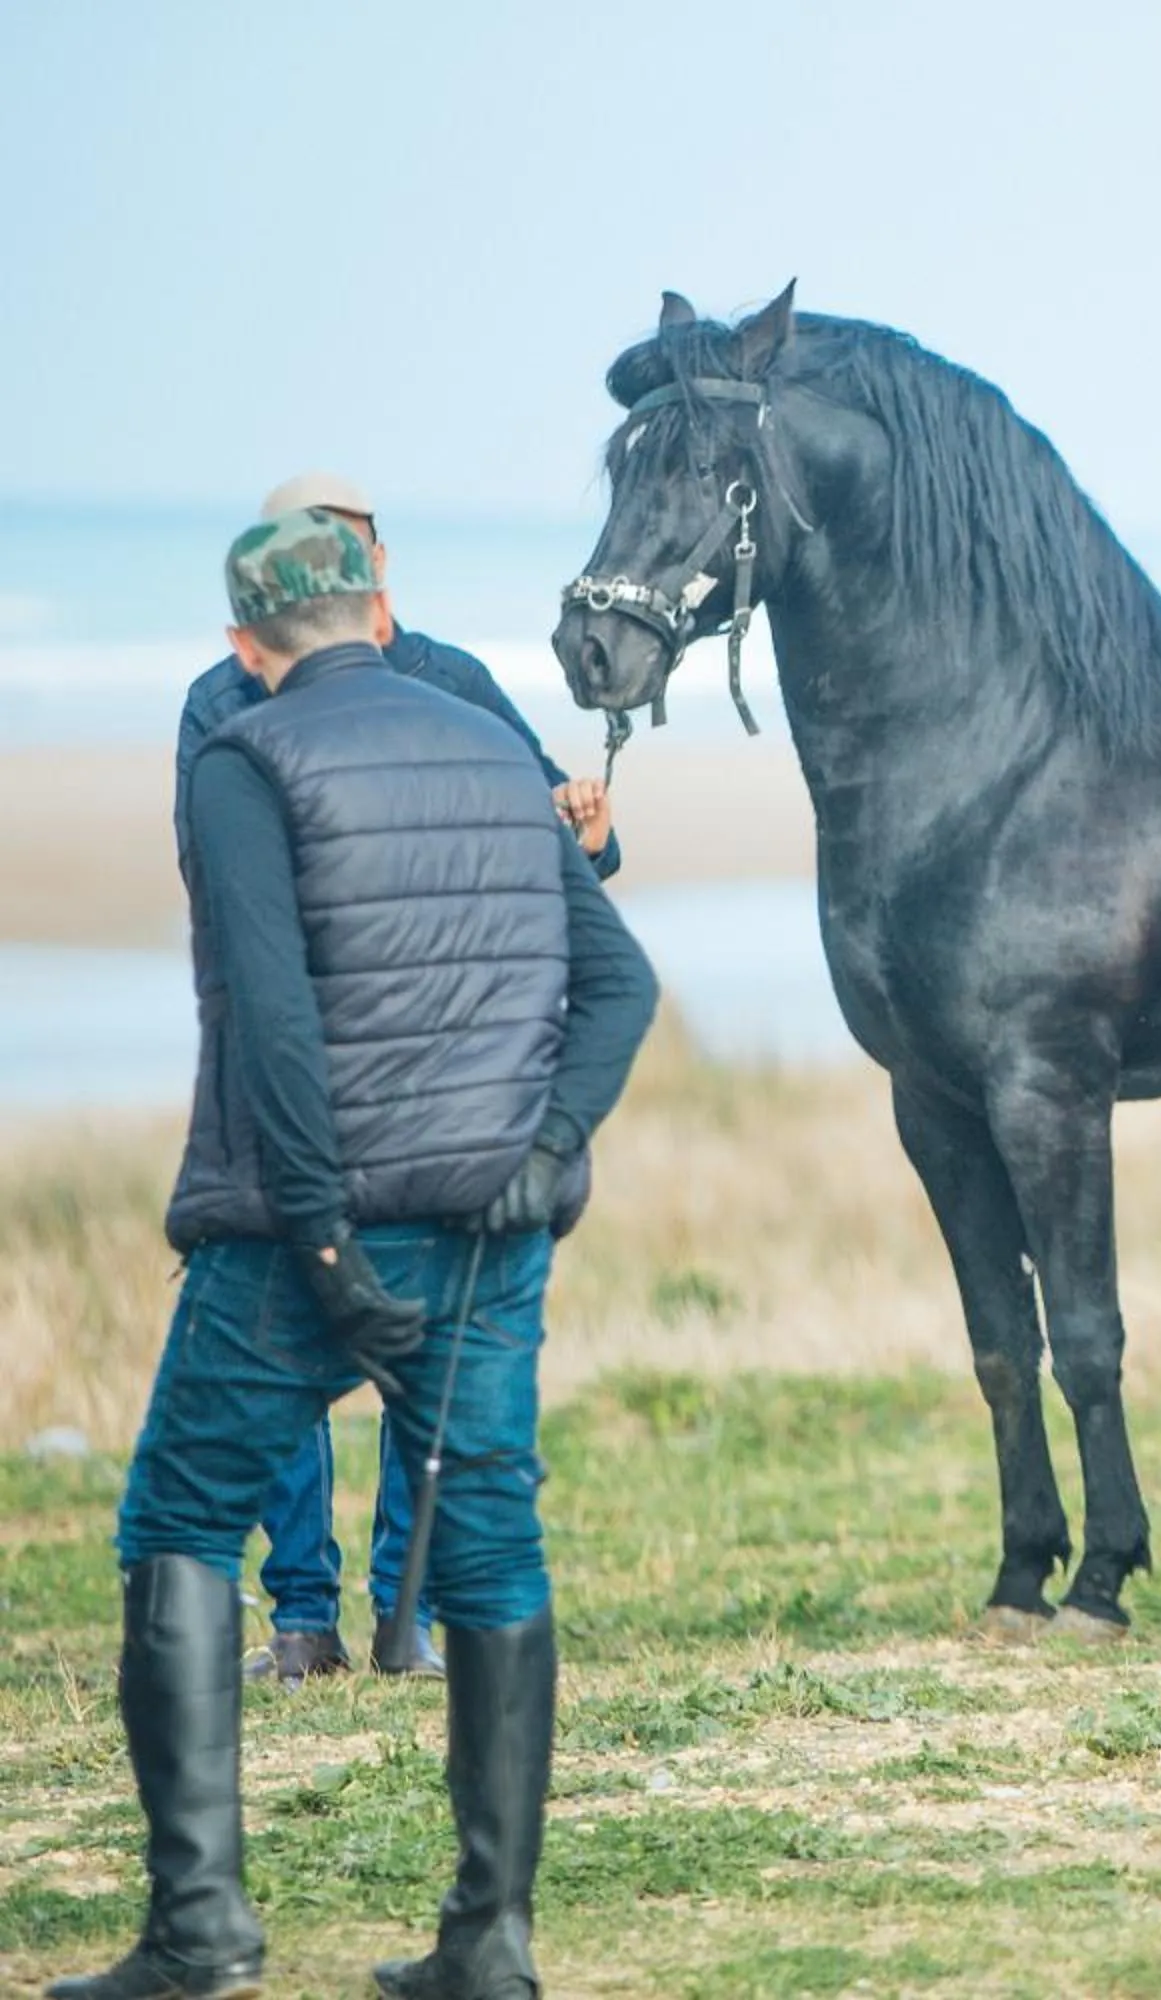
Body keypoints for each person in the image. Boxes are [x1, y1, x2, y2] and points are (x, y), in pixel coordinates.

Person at [53, 511, 656, 2000]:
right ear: (379, 616)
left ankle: (202, 1934)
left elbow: (271, 1019)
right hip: (488, 1232)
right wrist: (545, 1150)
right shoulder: (486, 751)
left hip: (293, 1236)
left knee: (180, 1525)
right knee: (498, 1545)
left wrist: (320, 1235)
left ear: (245, 644)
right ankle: (490, 1942)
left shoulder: (243, 757)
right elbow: (619, 982)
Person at [175, 471, 623, 1687]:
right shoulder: (219, 707)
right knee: (289, 1359)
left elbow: (562, 861)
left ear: (377, 574)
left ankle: (401, 1613)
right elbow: (222, 908)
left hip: (439, 1079)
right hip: (297, 1064)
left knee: (426, 1361)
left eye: (347, 549)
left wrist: (589, 828)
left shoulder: (457, 685)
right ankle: (301, 1613)